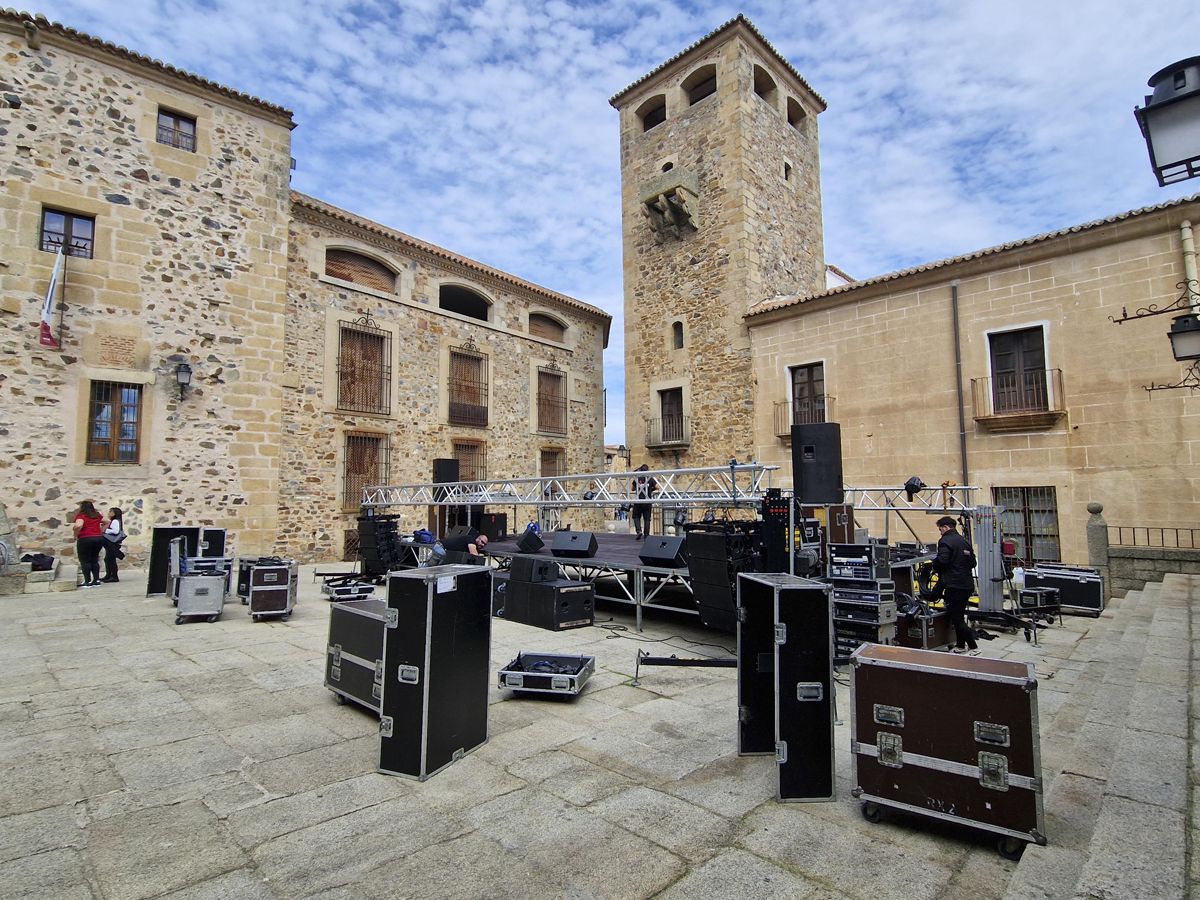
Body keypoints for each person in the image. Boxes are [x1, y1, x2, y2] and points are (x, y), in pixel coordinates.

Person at [933, 515, 978, 653]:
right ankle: (960, 645)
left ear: (945, 527)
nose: (940, 532)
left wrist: (935, 565)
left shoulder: (945, 541)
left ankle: (973, 645)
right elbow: (973, 563)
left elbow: (943, 560)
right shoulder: (963, 541)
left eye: (940, 529)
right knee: (958, 614)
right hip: (967, 584)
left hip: (954, 585)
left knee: (956, 618)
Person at [72, 500, 105, 588]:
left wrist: (75, 534)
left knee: (85, 560)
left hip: (85, 538)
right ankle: (96, 580)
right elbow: (107, 521)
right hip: (98, 538)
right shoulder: (97, 515)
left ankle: (87, 581)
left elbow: (78, 525)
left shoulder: (81, 516)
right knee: (94, 559)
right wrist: (101, 531)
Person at [630, 464, 657, 540]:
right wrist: (650, 490)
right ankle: (646, 535)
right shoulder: (650, 478)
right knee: (647, 519)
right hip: (647, 501)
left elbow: (632, 489)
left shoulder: (637, 478)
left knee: (636, 516)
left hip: (638, 501)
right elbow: (657, 487)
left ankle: (639, 531)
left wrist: (639, 487)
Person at [100, 507, 126, 583]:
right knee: (108, 559)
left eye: (111, 511)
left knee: (110, 560)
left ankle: (114, 576)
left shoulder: (115, 521)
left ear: (114, 513)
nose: (109, 512)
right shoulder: (115, 521)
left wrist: (105, 530)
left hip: (112, 543)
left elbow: (115, 531)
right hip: (112, 543)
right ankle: (109, 575)